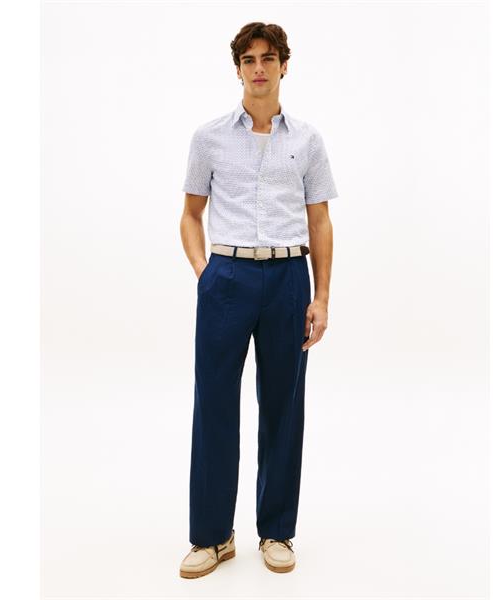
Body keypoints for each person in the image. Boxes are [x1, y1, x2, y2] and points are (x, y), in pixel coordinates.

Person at [178, 22, 338, 578]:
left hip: (289, 277)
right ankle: (212, 537)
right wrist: (206, 273)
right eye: (249, 60)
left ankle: (276, 532)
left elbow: (320, 220)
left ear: (284, 65)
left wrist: (321, 295)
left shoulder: (308, 141)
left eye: (269, 58)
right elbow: (190, 214)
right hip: (227, 278)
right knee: (215, 405)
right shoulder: (209, 138)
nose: (259, 68)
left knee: (284, 407)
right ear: (238, 69)